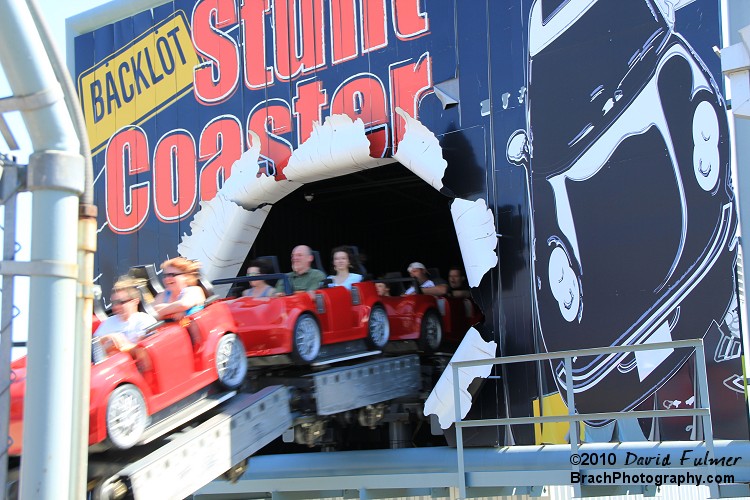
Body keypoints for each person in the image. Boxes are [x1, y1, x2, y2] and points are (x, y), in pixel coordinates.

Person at [93, 277, 157, 348]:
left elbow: (143, 350)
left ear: (135, 301)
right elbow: (93, 347)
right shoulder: (108, 322)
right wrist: (105, 339)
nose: (116, 306)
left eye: (121, 302)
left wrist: (119, 342)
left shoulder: (145, 320)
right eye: (113, 303)